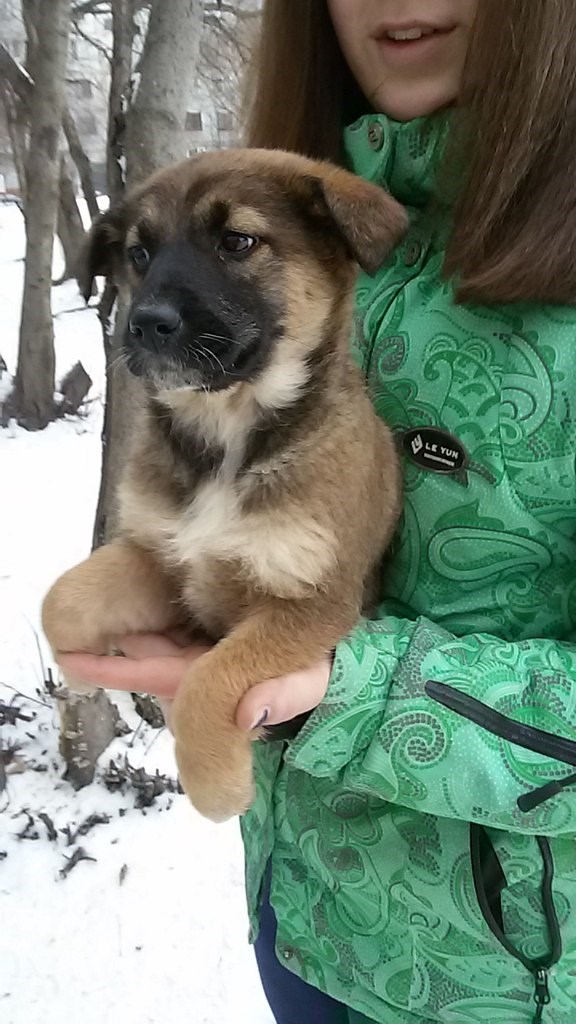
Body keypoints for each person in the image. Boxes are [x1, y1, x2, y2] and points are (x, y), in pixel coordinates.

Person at [59, 1, 576, 1021]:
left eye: (239, 246)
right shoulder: (300, 200)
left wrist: (344, 689)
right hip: (298, 919)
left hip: (502, 981)